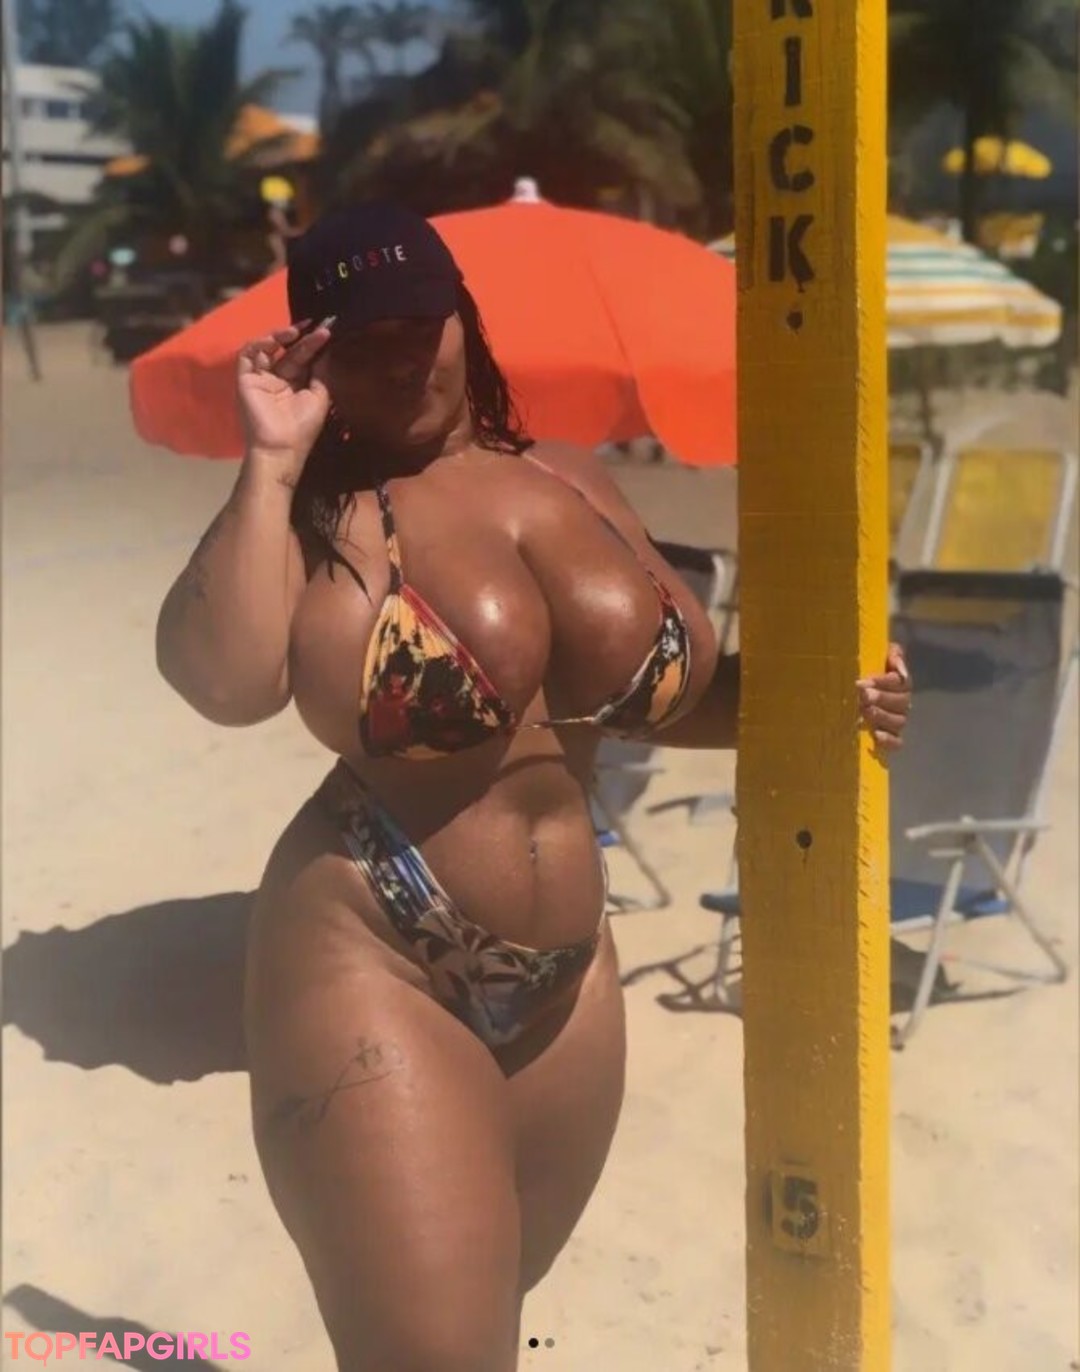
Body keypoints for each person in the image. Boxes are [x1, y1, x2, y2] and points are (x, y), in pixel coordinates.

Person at [155, 201, 912, 1372]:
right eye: (363, 340)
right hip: (374, 948)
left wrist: (833, 704)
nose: (403, 357)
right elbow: (223, 679)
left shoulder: (572, 481)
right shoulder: (316, 516)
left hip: (571, 974)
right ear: (314, 359)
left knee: (488, 1311)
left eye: (421, 323)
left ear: (463, 317)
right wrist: (269, 457)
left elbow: (677, 705)